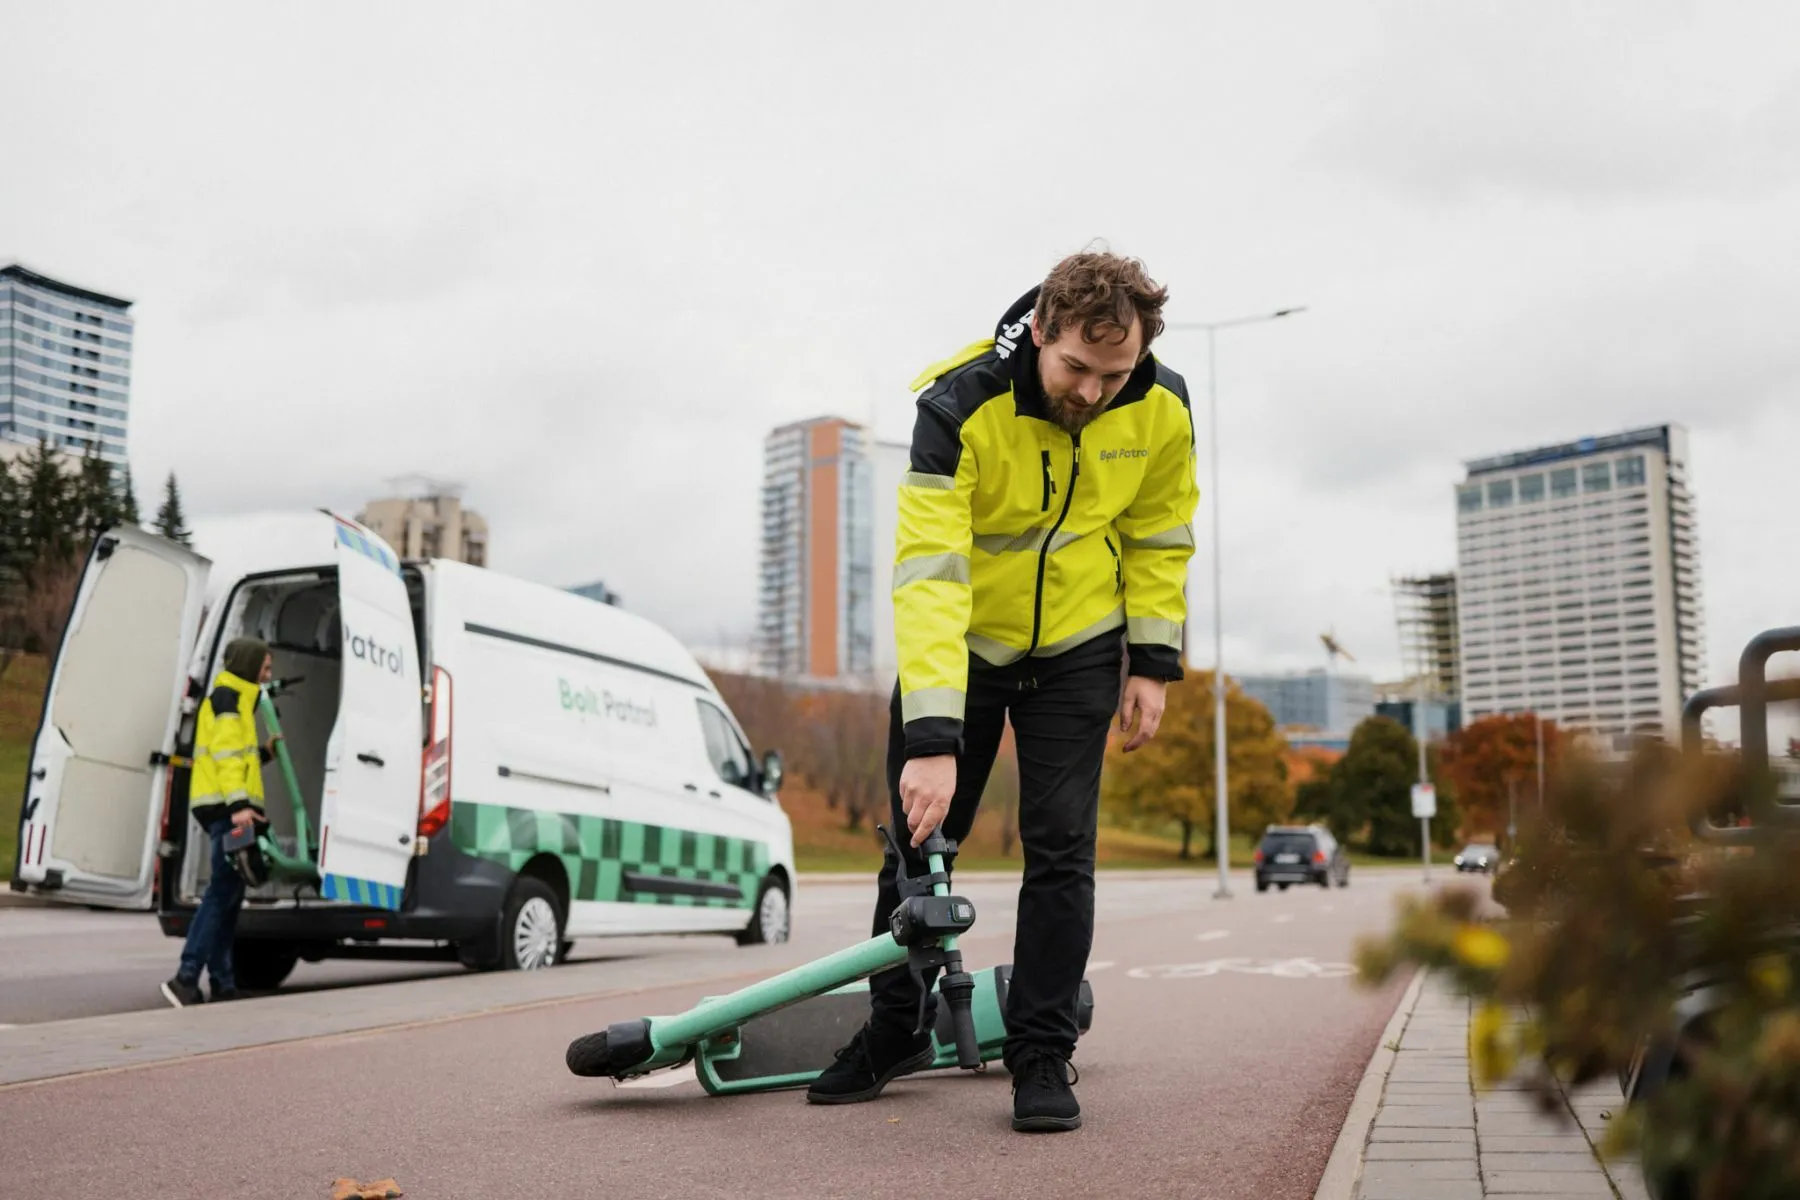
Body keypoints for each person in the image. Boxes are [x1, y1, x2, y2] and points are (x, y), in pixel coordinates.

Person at [807, 251, 1198, 1131]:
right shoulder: (957, 404)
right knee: (918, 845)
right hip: (967, 646)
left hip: (1081, 645)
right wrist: (935, 737)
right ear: (1043, 332)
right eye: (1077, 370)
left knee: (1062, 845)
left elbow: (1160, 534)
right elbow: (932, 577)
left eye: (1116, 373)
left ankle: (1042, 1052)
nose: (1095, 391)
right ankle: (895, 1029)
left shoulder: (1163, 405)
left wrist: (1152, 661)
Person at [161, 637, 282, 1007]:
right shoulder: (229, 700)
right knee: (220, 894)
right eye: (264, 667)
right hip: (227, 811)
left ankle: (223, 983)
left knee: (230, 897)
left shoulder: (238, 700)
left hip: (225, 808)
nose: (269, 674)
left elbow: (235, 759)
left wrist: (263, 754)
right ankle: (185, 977)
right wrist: (240, 807)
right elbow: (227, 760)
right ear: (248, 666)